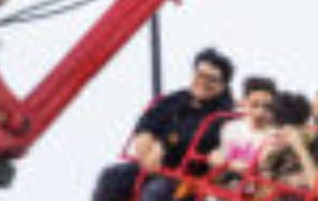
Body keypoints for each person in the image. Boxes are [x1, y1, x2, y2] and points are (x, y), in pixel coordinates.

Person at [89, 48, 236, 201]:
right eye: (200, 75)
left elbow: (200, 138)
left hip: (188, 176)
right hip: (157, 166)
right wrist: (144, 143)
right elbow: (150, 119)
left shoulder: (224, 114)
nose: (203, 82)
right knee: (112, 176)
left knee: (156, 192)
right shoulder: (178, 99)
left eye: (211, 79)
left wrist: (163, 146)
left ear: (223, 85)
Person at [258, 91, 318, 201]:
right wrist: (266, 165)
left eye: (279, 132)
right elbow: (264, 195)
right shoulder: (280, 147)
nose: (275, 137)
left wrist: (301, 150)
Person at [208, 76, 277, 184]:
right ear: (244, 103)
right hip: (225, 186)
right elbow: (219, 162)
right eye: (254, 105)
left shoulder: (274, 136)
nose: (260, 112)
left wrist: (228, 164)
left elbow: (264, 170)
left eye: (267, 107)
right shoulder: (230, 128)